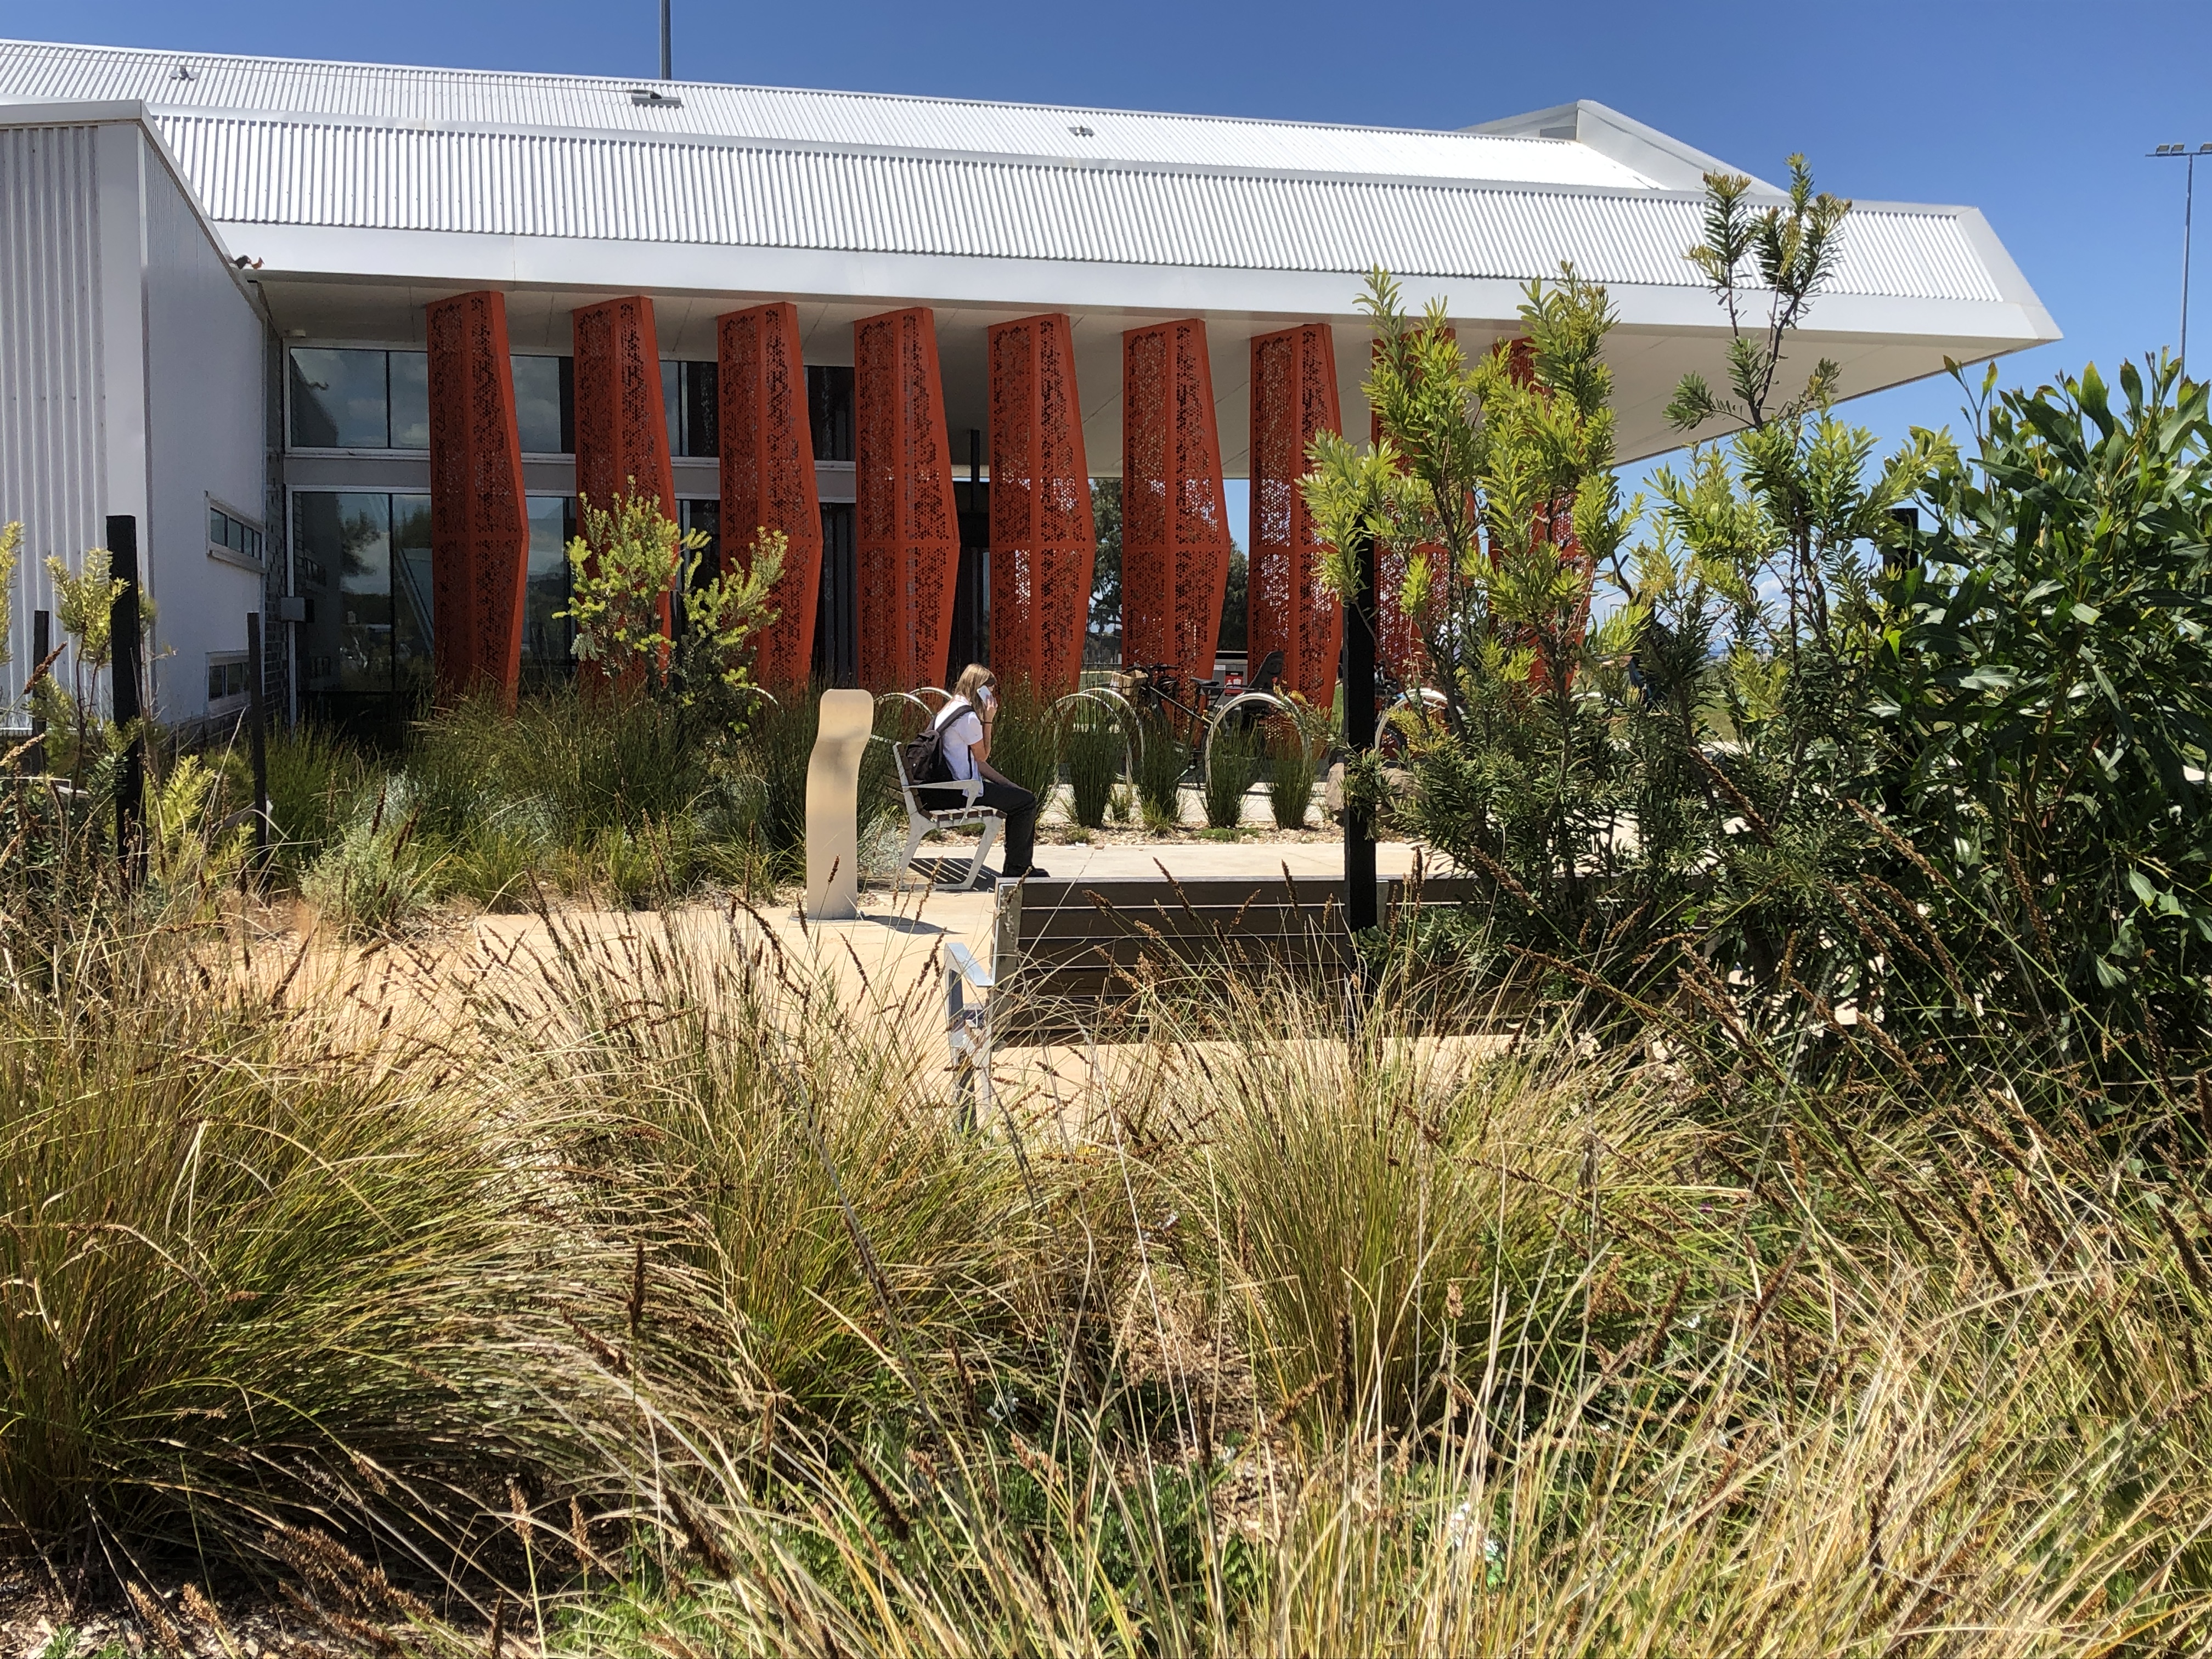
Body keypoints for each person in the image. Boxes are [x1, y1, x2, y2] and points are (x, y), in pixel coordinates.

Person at [922, 664, 1046, 880]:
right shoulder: (968, 718)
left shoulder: (948, 709)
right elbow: (983, 757)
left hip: (942, 791)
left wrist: (1009, 786)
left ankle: (1017, 866)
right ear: (981, 689)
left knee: (1021, 798)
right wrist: (988, 719)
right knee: (1026, 804)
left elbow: (979, 764)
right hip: (961, 794)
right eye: (990, 690)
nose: (992, 696)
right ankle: (1017, 869)